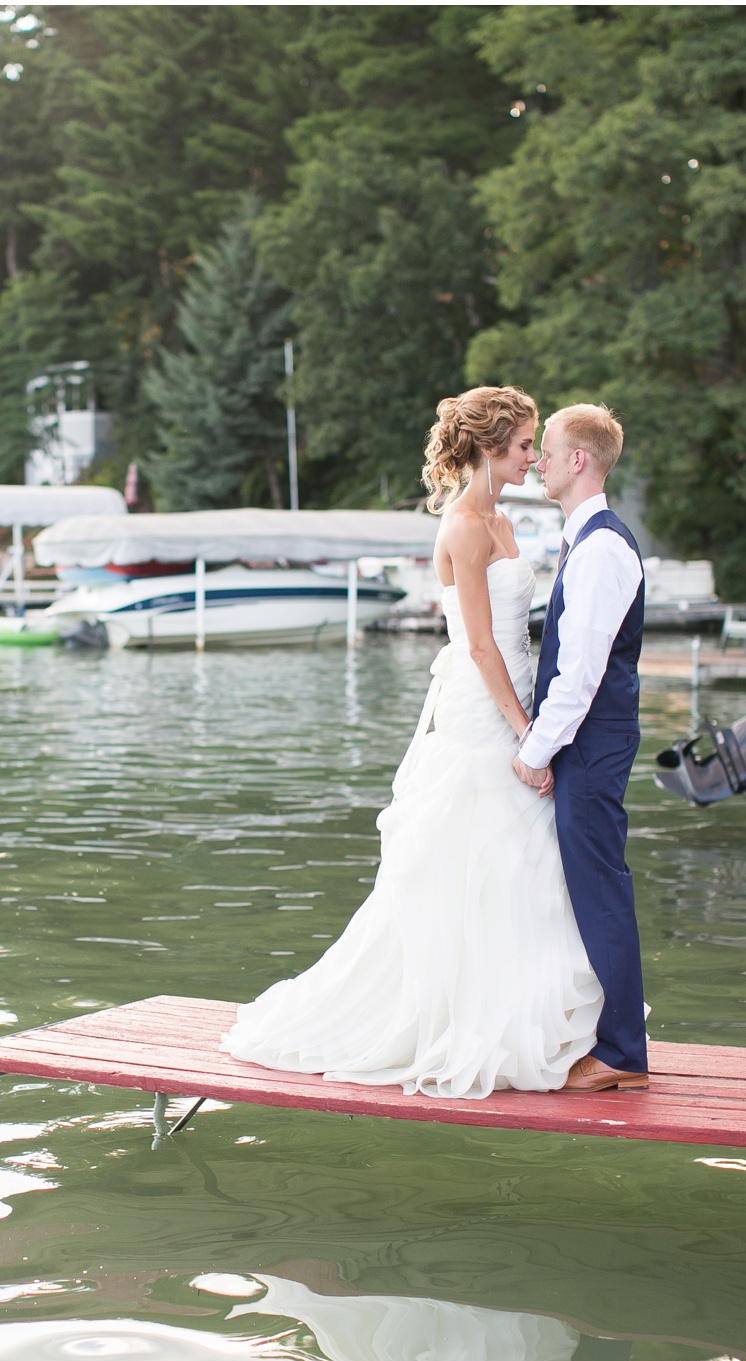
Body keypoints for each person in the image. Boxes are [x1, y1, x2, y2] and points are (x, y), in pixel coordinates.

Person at [220, 386, 603, 1098]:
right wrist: (529, 734)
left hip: (515, 696)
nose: (532, 457)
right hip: (484, 709)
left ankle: (520, 1010)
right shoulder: (462, 525)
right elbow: (482, 646)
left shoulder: (503, 520)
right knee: (474, 853)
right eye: (524, 445)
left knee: (520, 860)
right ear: (493, 447)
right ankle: (456, 1017)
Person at [511, 403, 649, 1092]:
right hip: (589, 741)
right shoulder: (586, 540)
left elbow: (581, 672)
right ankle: (610, 1034)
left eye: (547, 449)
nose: (536, 460)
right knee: (592, 887)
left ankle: (624, 1049)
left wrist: (536, 750)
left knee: (600, 891)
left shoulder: (601, 549)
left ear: (577, 461)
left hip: (592, 743)